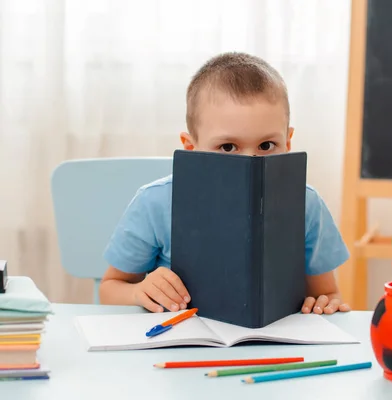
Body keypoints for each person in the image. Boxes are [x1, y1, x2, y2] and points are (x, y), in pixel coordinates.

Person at [98, 52, 351, 316]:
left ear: (288, 142)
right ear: (190, 147)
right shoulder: (155, 202)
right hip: (185, 342)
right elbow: (110, 289)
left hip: (275, 347)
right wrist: (139, 291)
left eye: (267, 145)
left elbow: (327, 294)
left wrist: (325, 304)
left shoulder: (305, 204)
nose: (250, 162)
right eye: (228, 147)